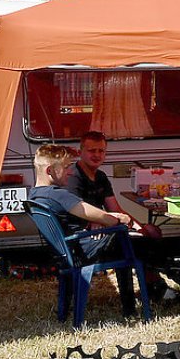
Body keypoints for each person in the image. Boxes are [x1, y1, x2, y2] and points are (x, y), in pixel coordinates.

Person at [30, 143, 164, 310]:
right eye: (66, 167)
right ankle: (175, 282)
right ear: (50, 170)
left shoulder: (35, 195)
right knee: (154, 245)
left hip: (71, 251)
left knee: (143, 243)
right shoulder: (58, 195)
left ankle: (153, 289)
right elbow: (101, 217)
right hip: (86, 250)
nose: (70, 172)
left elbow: (98, 217)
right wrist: (120, 219)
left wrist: (110, 218)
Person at [65, 130, 162, 238]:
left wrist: (138, 227)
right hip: (83, 231)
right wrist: (95, 221)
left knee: (152, 231)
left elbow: (115, 209)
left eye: (101, 151)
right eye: (92, 151)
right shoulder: (72, 176)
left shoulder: (101, 176)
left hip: (102, 223)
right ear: (80, 152)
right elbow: (75, 211)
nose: (97, 155)